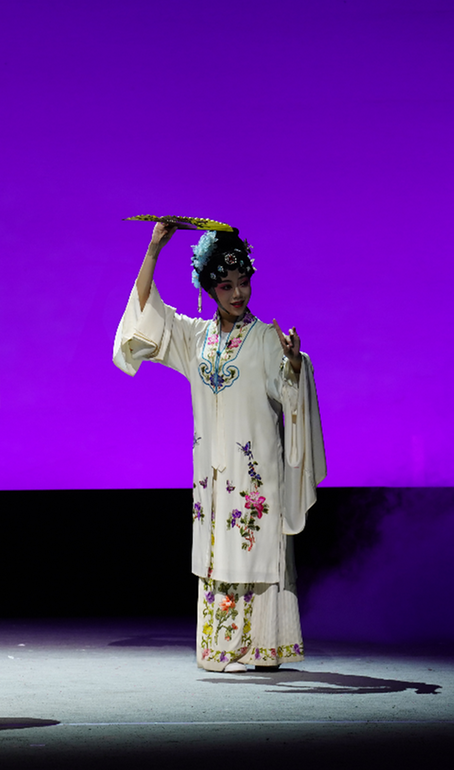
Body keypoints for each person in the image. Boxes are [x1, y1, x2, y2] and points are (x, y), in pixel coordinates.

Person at [112, 222, 325, 671]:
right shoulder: (195, 338)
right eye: (226, 285)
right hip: (212, 473)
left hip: (255, 474)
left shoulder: (265, 339)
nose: (237, 293)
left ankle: (263, 646)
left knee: (254, 546)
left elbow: (290, 390)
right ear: (210, 288)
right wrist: (153, 249)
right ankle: (222, 649)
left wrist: (293, 364)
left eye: (243, 282)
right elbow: (146, 312)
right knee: (219, 549)